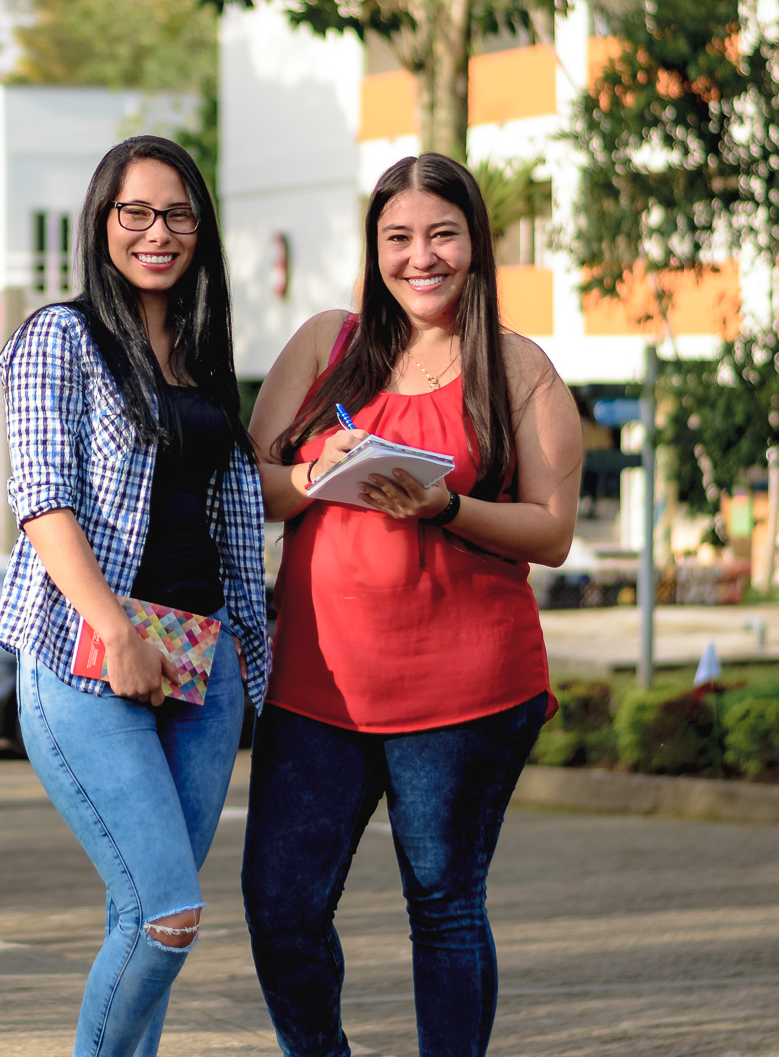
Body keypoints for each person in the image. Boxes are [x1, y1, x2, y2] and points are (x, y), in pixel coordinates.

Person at [243, 153, 582, 1057]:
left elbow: (552, 532)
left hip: (468, 691)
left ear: (475, 244)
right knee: (281, 906)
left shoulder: (519, 368)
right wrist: (316, 473)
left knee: (443, 906)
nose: (419, 256)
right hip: (318, 691)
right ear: (374, 247)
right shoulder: (325, 344)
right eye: (398, 237)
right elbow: (250, 485)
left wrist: (448, 507)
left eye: (441, 234)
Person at [0, 135, 269, 1057]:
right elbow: (43, 496)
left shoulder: (202, 354)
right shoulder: (59, 338)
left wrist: (329, 472)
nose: (159, 232)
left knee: (140, 915)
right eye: (136, 212)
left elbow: (229, 496)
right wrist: (113, 629)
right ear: (102, 222)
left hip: (202, 657)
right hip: (88, 655)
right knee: (166, 914)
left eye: (179, 213)